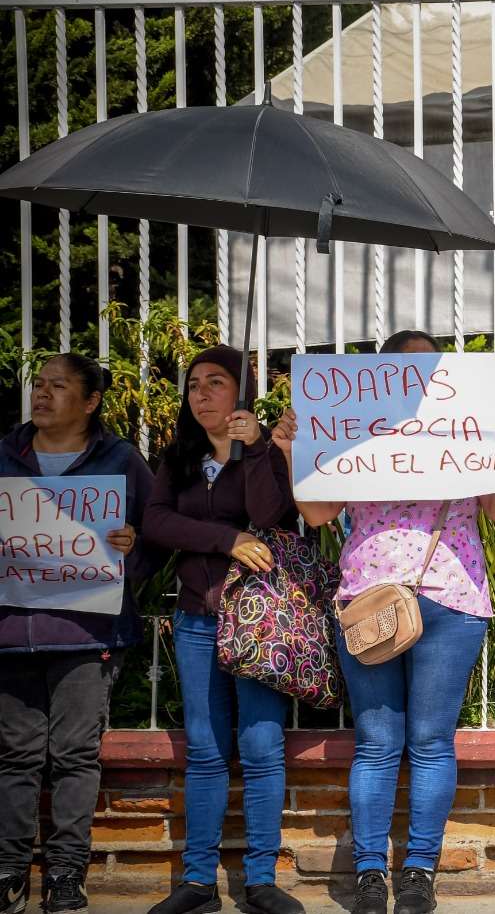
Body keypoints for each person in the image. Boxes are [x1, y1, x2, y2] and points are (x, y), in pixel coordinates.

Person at [270, 330, 495, 914]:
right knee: (377, 743)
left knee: (431, 741)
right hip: (368, 602)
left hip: (452, 601)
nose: (416, 380)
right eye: (402, 370)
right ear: (380, 377)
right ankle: (369, 874)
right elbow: (318, 512)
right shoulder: (356, 430)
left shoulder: (467, 426)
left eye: (428, 369)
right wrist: (292, 453)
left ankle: (418, 873)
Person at [141, 345, 303, 914]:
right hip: (197, 619)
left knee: (261, 748)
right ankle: (198, 882)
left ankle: (260, 880)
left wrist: (255, 449)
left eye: (216, 382)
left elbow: (271, 515)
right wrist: (225, 539)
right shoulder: (179, 456)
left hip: (257, 622)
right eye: (193, 384)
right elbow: (157, 522)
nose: (201, 393)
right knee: (206, 751)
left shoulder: (266, 452)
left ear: (242, 392)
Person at [0, 355, 155, 914]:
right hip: (11, 632)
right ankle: (8, 871)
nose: (41, 394)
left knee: (74, 755)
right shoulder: (4, 454)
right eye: (38, 385)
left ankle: (67, 873)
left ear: (90, 402)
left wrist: (132, 549)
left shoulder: (123, 461)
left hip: (88, 633)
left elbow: (157, 534)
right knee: (15, 756)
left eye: (58, 386)